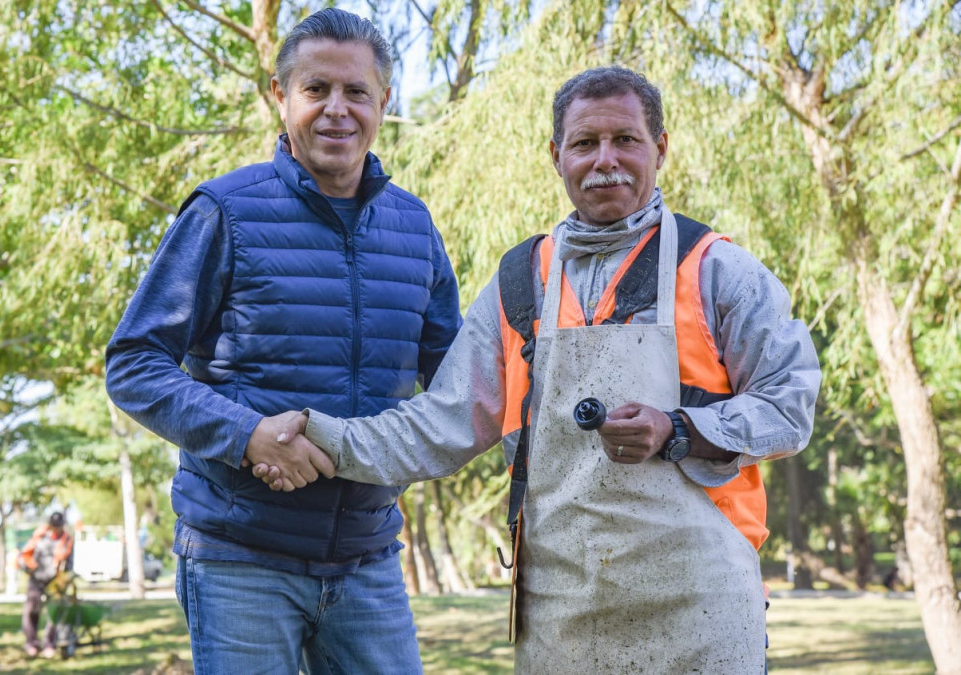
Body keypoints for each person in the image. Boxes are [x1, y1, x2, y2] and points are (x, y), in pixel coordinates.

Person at [259, 65, 821, 672]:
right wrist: (319, 435)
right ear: (556, 156)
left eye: (626, 140)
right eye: (584, 144)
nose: (606, 160)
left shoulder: (717, 270)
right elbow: (438, 425)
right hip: (561, 617)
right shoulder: (519, 283)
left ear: (660, 148)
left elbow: (789, 405)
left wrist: (676, 428)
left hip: (703, 614)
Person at [104, 8, 461, 674]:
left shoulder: (415, 227)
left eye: (356, 92)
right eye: (315, 89)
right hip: (240, 558)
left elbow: (458, 382)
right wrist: (249, 435)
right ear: (280, 95)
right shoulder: (225, 211)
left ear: (383, 101)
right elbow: (134, 363)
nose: (336, 110)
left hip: (369, 559)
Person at [19, 511, 73, 658]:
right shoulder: (40, 537)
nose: (57, 528)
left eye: (59, 525)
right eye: (54, 525)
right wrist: (28, 568)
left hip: (54, 581)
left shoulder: (67, 540)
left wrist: (64, 582)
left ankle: (49, 644)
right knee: (31, 611)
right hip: (36, 579)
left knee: (54, 613)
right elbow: (25, 554)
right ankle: (32, 643)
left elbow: (68, 564)